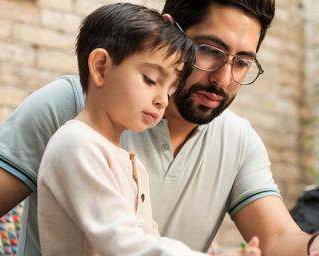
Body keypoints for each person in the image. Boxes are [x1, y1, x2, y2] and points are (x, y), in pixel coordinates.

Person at [0, 1, 319, 255]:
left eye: (242, 62)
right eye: (209, 51)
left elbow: (277, 236)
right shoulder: (71, 107)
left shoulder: (238, 140)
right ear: (172, 32)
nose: (223, 78)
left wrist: (316, 246)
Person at [36, 3, 258, 255]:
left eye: (171, 88)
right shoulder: (76, 145)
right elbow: (122, 243)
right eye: (150, 80)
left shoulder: (131, 164)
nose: (162, 99)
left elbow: (150, 239)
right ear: (101, 67)